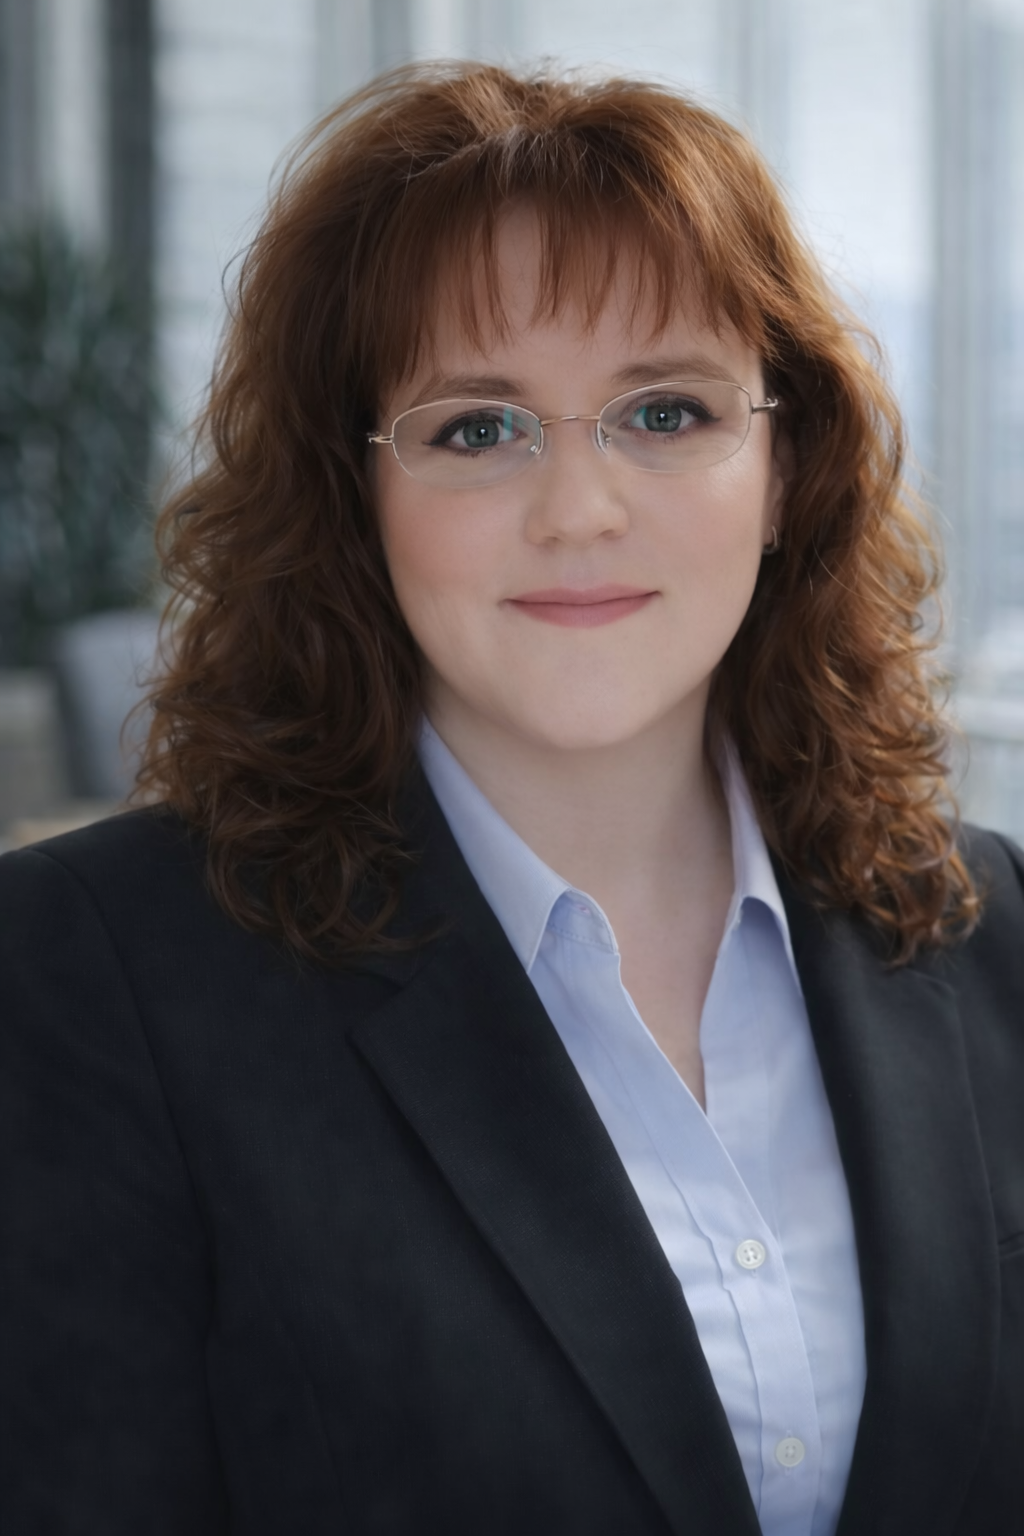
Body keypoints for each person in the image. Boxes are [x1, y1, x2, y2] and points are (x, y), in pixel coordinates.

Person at [1, 63, 1022, 1536]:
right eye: (478, 428)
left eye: (665, 412)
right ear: (353, 495)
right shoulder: (94, 974)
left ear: (788, 461)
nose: (579, 508)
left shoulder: (985, 931)